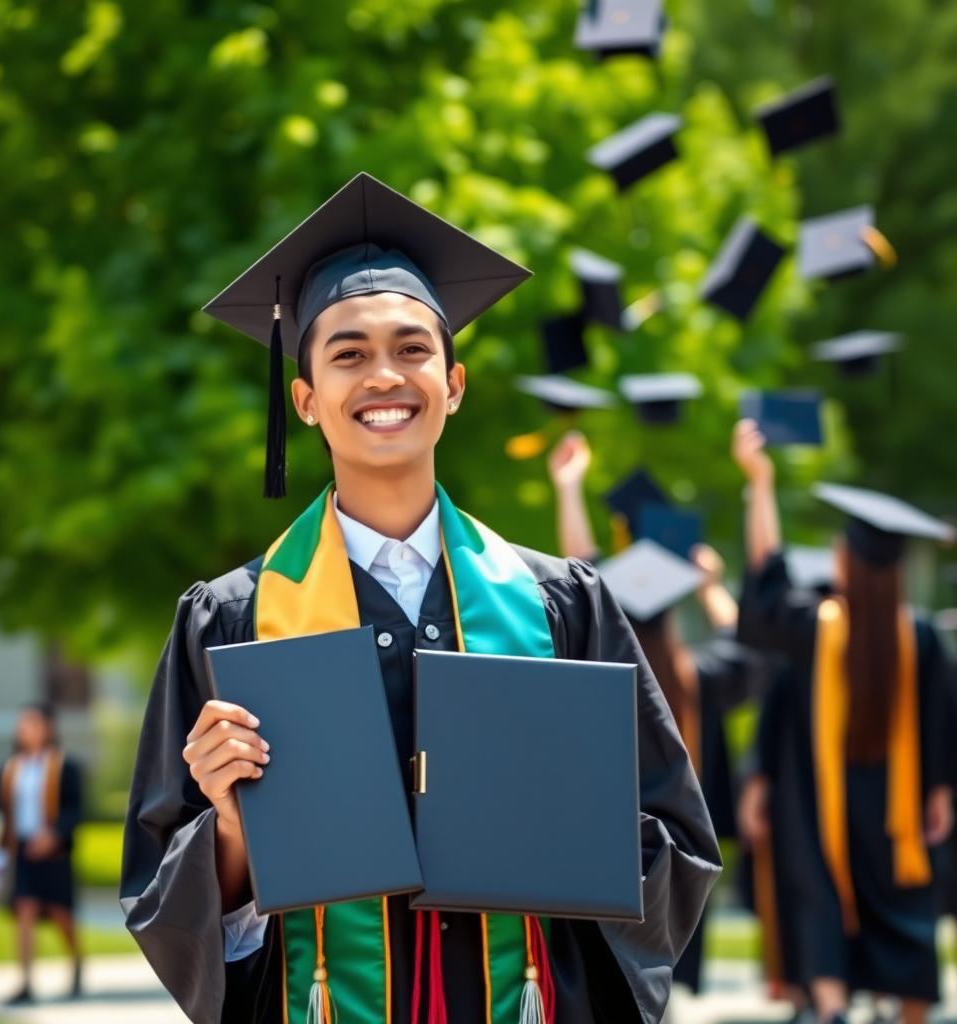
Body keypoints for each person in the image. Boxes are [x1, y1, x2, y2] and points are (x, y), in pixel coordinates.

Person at [119, 174, 721, 1024]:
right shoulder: (232, 622)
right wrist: (232, 828)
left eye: (412, 349)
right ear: (305, 400)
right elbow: (164, 897)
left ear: (455, 383)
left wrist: (574, 825)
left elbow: (676, 845)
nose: (384, 377)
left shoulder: (558, 606)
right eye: (348, 354)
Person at [732, 417, 955, 1024]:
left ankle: (829, 1011)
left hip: (819, 808)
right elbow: (942, 724)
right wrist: (939, 792)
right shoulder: (920, 638)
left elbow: (765, 581)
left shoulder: (817, 629)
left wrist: (761, 484)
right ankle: (911, 1011)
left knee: (823, 899)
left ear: (852, 564)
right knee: (903, 906)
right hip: (894, 815)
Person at [546, 429, 760, 995]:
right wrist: (711, 587)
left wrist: (568, 489)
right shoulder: (695, 681)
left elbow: (579, 576)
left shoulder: (601, 676)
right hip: (670, 855)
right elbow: (745, 647)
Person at [0, 701, 83, 1004]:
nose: (27, 730)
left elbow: (75, 810)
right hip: (22, 850)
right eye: (23, 724)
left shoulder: (63, 766)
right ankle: (25, 981)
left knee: (61, 915)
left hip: (54, 852)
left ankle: (76, 962)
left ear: (48, 727)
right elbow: (5, 813)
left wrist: (54, 835)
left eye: (33, 723)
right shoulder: (12, 768)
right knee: (25, 909)